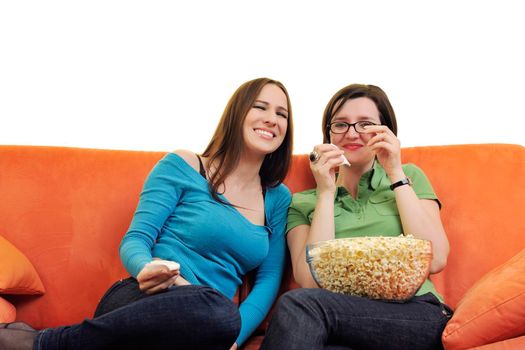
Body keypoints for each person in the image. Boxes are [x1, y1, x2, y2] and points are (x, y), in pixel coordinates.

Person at [0, 77, 294, 350]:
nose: (272, 118)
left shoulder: (277, 198)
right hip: (147, 298)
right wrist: (146, 268)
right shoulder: (183, 165)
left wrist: (234, 338)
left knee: (221, 315)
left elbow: (268, 280)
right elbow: (136, 239)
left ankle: (39, 342)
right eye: (260, 106)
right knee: (218, 311)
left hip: (206, 320)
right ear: (237, 113)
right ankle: (46, 344)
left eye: (282, 114)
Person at [260, 84, 452, 350]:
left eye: (365, 124)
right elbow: (310, 280)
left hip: (416, 313)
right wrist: (326, 192)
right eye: (340, 124)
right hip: (338, 319)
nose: (352, 133)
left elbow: (436, 257)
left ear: (386, 132)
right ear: (328, 134)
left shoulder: (409, 176)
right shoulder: (304, 201)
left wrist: (395, 172)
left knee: (297, 303)